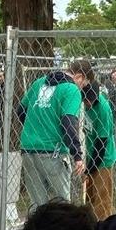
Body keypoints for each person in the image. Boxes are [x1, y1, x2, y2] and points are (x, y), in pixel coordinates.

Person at [17, 68, 83, 209]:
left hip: (29, 148)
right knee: (63, 204)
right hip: (54, 150)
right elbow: (68, 121)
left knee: (37, 204)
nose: (82, 88)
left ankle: (38, 229)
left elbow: (21, 110)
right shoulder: (71, 89)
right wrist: (77, 154)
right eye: (83, 83)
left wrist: (35, 130)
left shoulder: (39, 82)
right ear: (78, 77)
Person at [68, 59, 116, 222]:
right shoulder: (83, 105)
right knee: (89, 201)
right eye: (85, 100)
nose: (87, 103)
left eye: (89, 101)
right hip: (91, 158)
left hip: (103, 160)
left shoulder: (102, 107)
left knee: (102, 203)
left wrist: (90, 169)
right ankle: (91, 229)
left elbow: (101, 143)